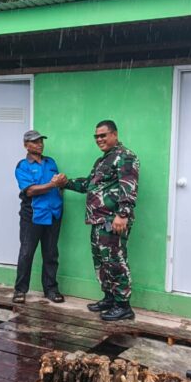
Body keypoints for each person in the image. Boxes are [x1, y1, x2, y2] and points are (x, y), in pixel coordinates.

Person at [54, 120, 139, 321]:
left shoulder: (125, 156)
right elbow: (88, 185)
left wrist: (123, 214)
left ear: (114, 134)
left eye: (103, 135)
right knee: (102, 262)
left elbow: (129, 186)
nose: (99, 139)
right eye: (97, 136)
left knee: (115, 260)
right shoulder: (103, 160)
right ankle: (110, 298)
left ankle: (123, 306)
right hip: (98, 220)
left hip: (113, 220)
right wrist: (66, 183)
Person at [13, 130, 65, 304]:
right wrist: (52, 184)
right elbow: (30, 190)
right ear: (26, 145)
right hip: (33, 215)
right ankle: (20, 290)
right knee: (26, 253)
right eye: (35, 142)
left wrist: (61, 182)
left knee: (51, 254)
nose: (40, 144)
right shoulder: (23, 166)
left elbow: (58, 185)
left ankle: (51, 289)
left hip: (53, 214)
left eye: (41, 141)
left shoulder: (51, 162)